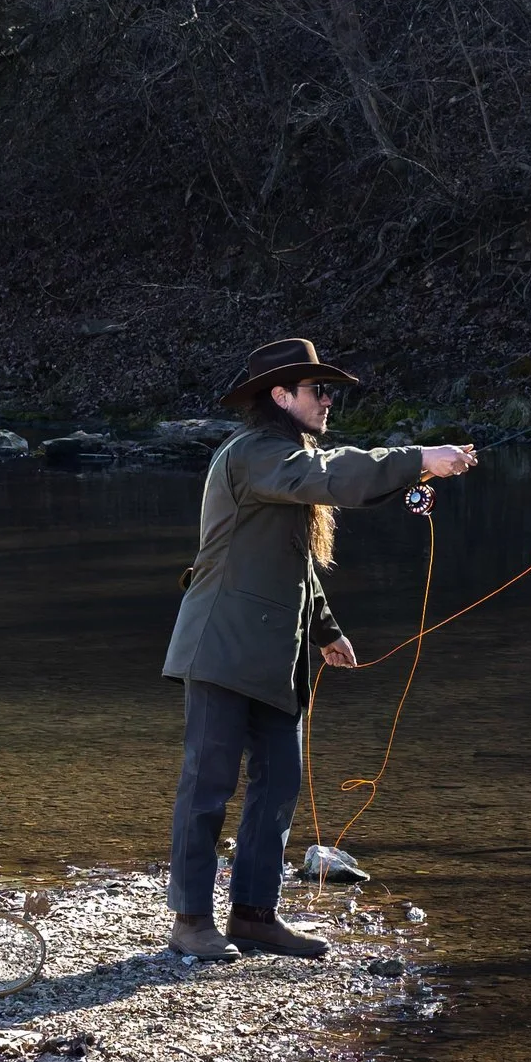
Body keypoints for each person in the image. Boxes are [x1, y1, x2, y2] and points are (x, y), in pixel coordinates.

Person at [160, 337, 478, 960]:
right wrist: (418, 459)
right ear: (280, 396)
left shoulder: (286, 457)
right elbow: (333, 477)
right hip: (220, 648)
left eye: (328, 389)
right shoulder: (256, 455)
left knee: (279, 784)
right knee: (207, 787)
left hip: (279, 656)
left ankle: (254, 916)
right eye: (318, 390)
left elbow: (296, 565)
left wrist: (327, 630)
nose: (329, 399)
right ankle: (191, 920)